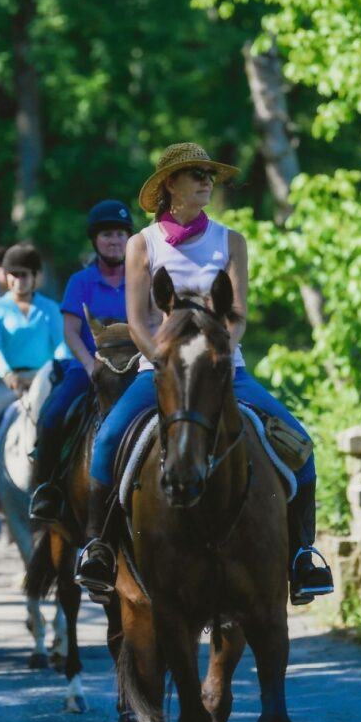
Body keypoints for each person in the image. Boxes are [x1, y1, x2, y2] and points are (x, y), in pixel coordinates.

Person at [75, 142, 334, 605]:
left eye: (209, 174)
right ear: (169, 184)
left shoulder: (231, 240)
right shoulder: (142, 244)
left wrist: (214, 361)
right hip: (160, 372)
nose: (207, 181)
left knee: (300, 445)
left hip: (225, 371)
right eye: (195, 173)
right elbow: (137, 320)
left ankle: (302, 555)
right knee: (108, 442)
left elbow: (235, 315)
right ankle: (98, 548)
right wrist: (168, 363)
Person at [30, 200, 133, 523]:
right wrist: (90, 366)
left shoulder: (142, 278)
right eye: (106, 235)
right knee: (52, 416)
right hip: (89, 368)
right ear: (95, 240)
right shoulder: (81, 282)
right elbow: (71, 331)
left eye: (120, 233)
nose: (114, 240)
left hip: (135, 370)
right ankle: (45, 490)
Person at [0, 243, 69, 515]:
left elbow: (61, 345)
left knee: (67, 420)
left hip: (45, 378)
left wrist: (47, 371)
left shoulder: (50, 308)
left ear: (35, 276)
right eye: (12, 274)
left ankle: (61, 485)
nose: (18, 280)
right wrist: (8, 374)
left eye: (24, 274)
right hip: (9, 382)